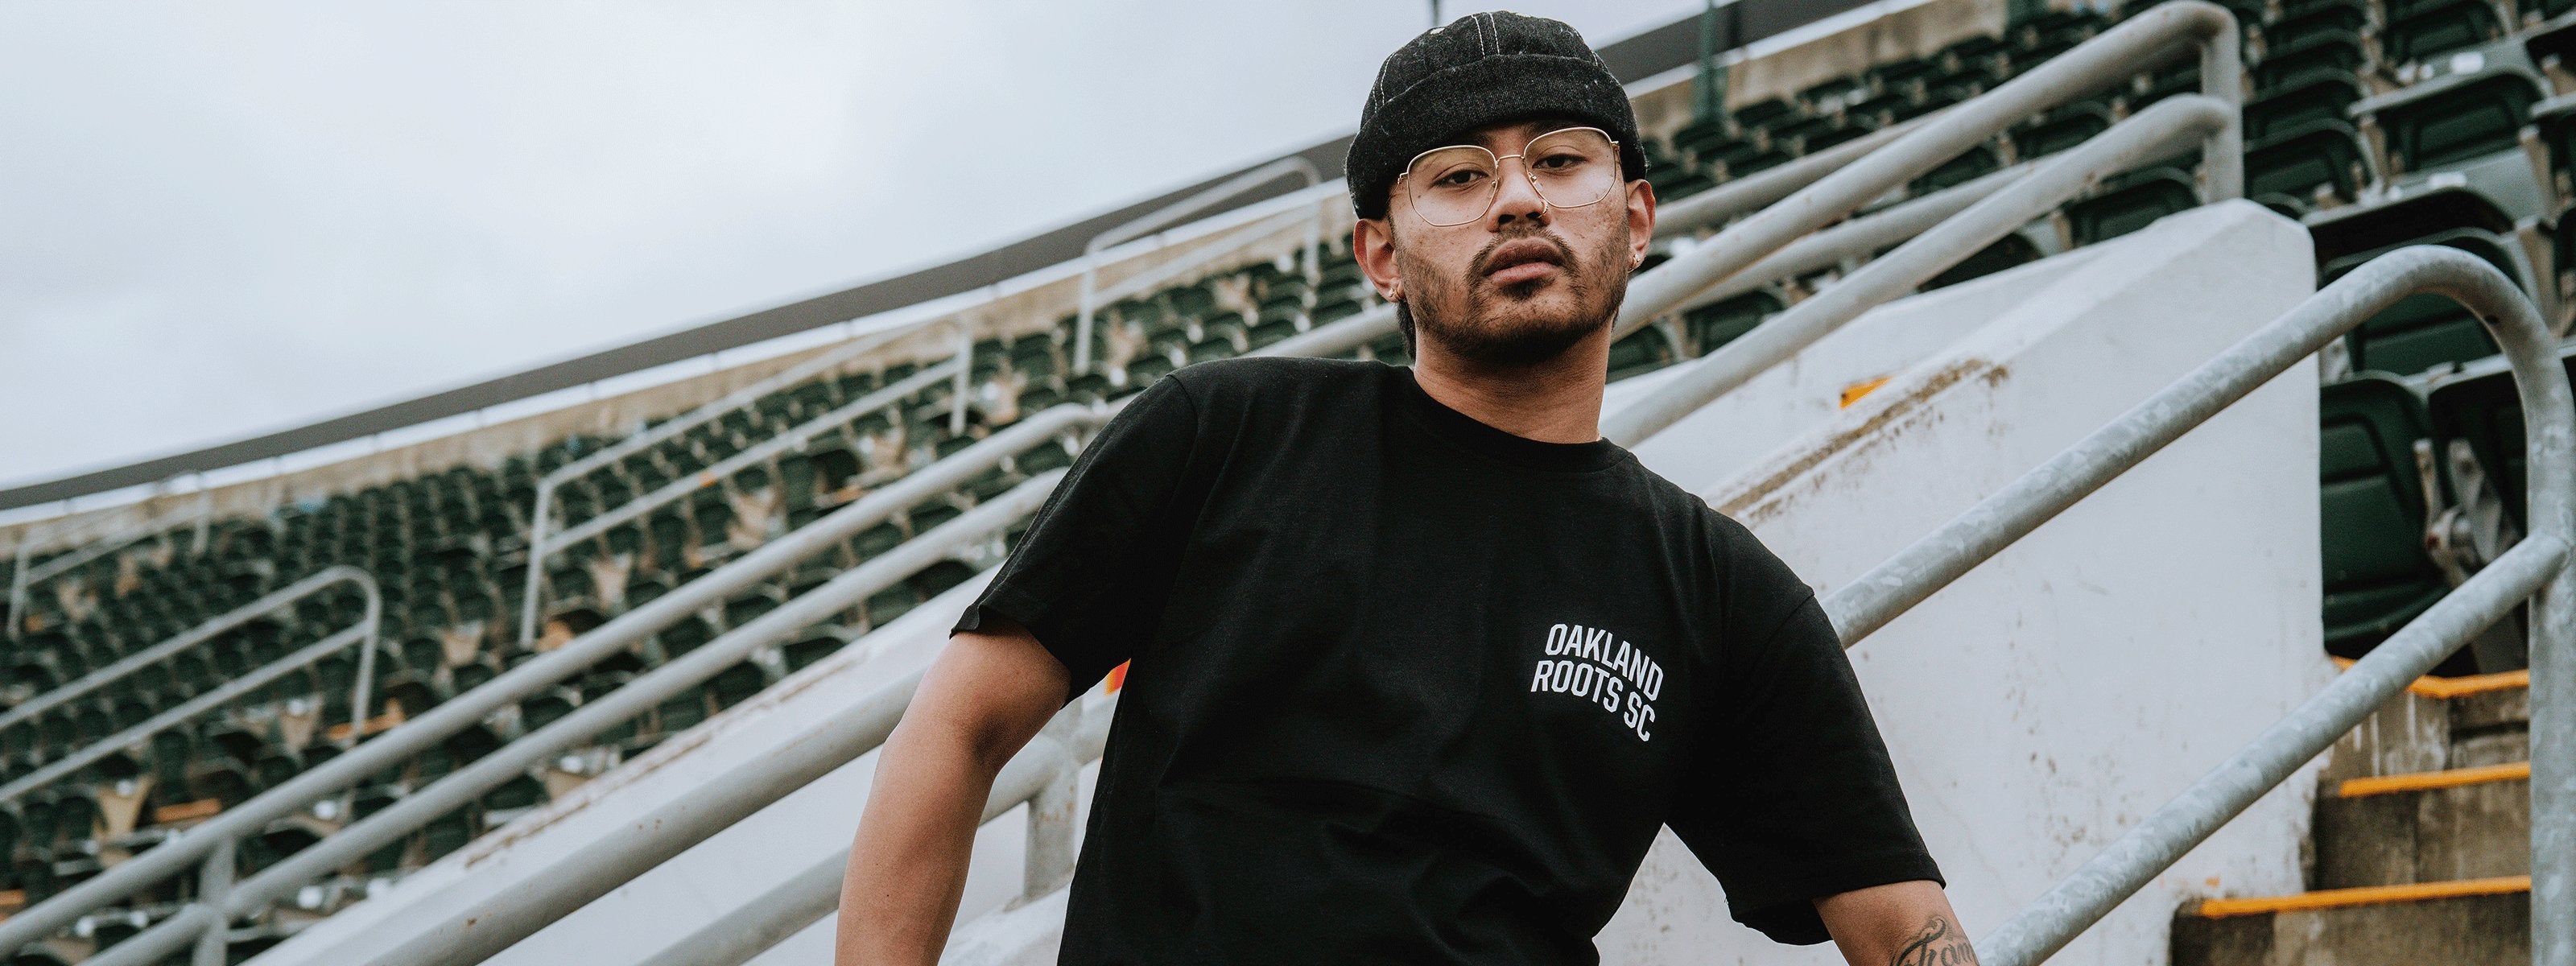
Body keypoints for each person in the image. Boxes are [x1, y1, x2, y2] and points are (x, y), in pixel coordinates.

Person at [836, 10, 1975, 965]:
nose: (1517, 200)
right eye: (1459, 175)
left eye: (1562, 160)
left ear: (1632, 223)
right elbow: (959, 730)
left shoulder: (1719, 593)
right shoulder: (1224, 435)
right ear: (1381, 255)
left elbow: (1902, 924)